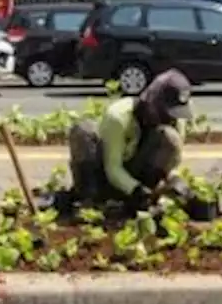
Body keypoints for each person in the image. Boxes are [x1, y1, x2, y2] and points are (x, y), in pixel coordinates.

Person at [67, 69, 194, 214]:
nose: (170, 118)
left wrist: (175, 181)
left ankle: (141, 202)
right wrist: (135, 190)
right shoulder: (119, 117)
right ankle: (90, 200)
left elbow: (173, 162)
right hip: (107, 174)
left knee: (171, 138)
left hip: (139, 177)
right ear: (153, 104)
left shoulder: (176, 122)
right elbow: (112, 168)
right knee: (83, 130)